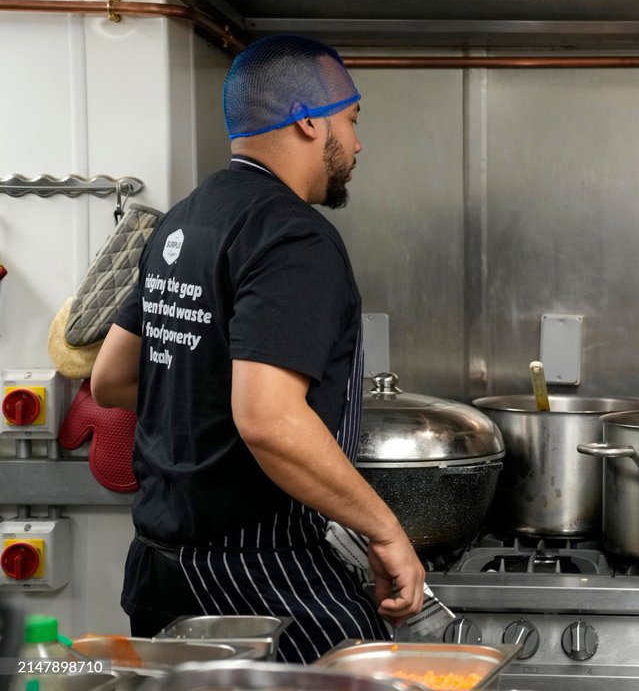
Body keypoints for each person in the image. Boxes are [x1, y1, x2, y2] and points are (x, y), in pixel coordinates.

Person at [91, 33, 425, 663]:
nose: (356, 144)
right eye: (351, 121)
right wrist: (386, 533)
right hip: (255, 577)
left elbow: (112, 377)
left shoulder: (186, 220)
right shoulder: (294, 236)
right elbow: (269, 421)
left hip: (160, 572)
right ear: (307, 122)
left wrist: (227, 392)